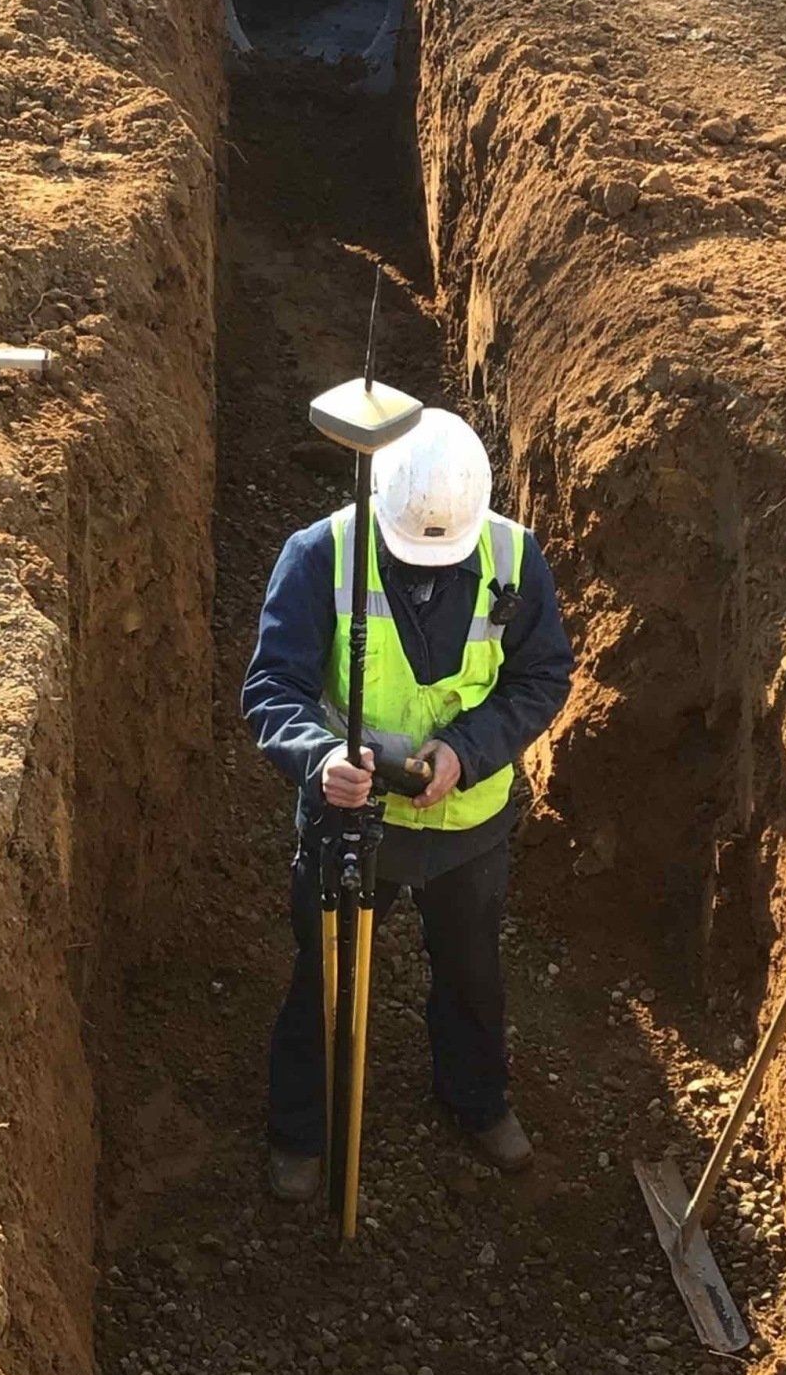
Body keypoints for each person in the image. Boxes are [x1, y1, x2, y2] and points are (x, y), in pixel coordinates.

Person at [242, 408, 575, 1202]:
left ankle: (476, 1100)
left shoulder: (512, 555)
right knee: (327, 975)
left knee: (472, 972)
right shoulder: (319, 556)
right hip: (351, 818)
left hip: (469, 827)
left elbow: (542, 677)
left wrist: (468, 749)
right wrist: (322, 757)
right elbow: (272, 689)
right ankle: (302, 1128)